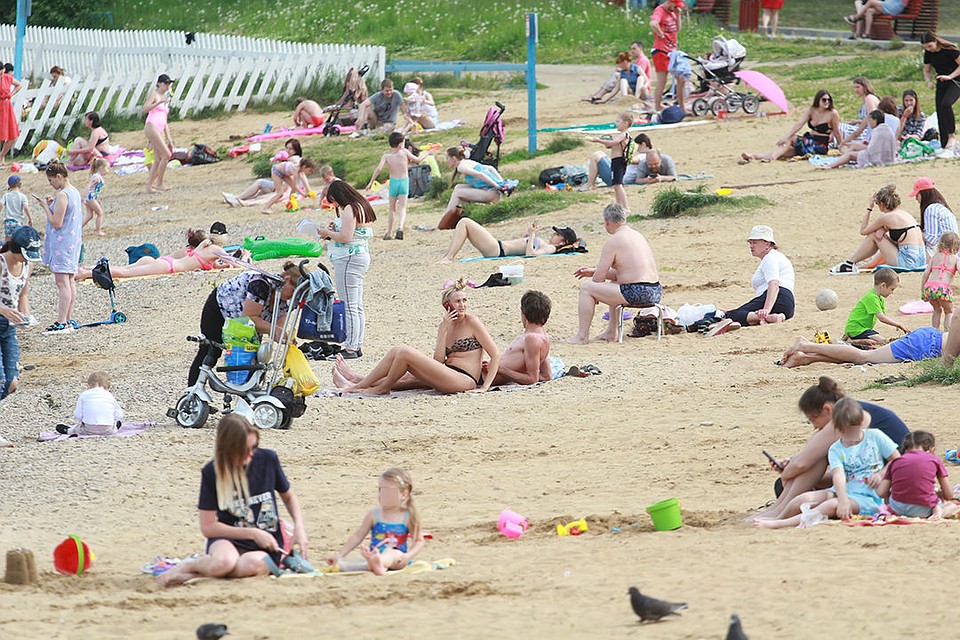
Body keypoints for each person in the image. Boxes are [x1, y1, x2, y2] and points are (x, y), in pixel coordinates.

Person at [157, 414, 309, 587]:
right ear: (228, 450)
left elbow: (289, 497)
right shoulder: (212, 472)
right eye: (245, 451)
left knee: (255, 565)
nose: (251, 455)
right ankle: (189, 565)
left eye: (254, 447)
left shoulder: (267, 459)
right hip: (228, 538)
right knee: (224, 563)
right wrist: (253, 533)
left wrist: (299, 528)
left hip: (267, 544)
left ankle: (189, 576)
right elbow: (208, 527)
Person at [749, 376, 908, 522]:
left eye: (813, 419)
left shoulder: (849, 419)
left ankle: (780, 510)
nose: (814, 426)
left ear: (827, 410)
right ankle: (779, 508)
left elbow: (803, 463)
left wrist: (787, 474)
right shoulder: (852, 413)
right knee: (810, 468)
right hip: (865, 478)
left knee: (814, 461)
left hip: (885, 481)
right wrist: (791, 463)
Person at [331, 279, 501, 394]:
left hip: (465, 379)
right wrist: (442, 331)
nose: (463, 305)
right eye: (458, 301)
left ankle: (377, 387)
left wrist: (485, 387)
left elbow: (495, 354)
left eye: (465, 300)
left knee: (404, 352)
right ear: (447, 305)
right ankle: (360, 382)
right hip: (448, 372)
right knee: (398, 353)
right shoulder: (446, 326)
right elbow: (438, 361)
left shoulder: (472, 322)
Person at [188, 262, 305, 386]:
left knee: (255, 358)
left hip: (250, 321)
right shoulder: (261, 284)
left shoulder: (287, 299)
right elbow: (249, 318)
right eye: (293, 291)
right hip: (221, 309)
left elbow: (277, 328)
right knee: (210, 350)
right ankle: (192, 392)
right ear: (286, 280)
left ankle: (248, 399)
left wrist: (285, 338)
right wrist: (275, 330)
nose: (292, 296)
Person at [566, 204, 661, 344]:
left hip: (637, 292)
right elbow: (625, 273)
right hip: (655, 291)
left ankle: (582, 336)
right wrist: (593, 271)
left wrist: (595, 293)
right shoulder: (637, 235)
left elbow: (598, 279)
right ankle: (611, 332)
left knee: (586, 288)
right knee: (615, 284)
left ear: (606, 221)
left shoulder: (614, 241)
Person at [314, 180, 375, 360]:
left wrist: (327, 233)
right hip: (359, 256)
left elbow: (346, 237)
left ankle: (351, 348)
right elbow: (350, 233)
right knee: (356, 305)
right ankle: (356, 344)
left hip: (349, 258)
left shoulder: (350, 208)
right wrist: (333, 231)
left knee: (349, 305)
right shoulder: (361, 206)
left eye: (334, 200)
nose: (335, 204)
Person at [327, 468, 424, 575]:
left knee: (391, 553)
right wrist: (340, 555)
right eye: (381, 490)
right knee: (352, 560)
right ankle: (377, 565)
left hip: (397, 559)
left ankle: (377, 563)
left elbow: (419, 541)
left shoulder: (407, 516)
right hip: (374, 554)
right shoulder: (374, 514)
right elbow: (358, 536)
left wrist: (408, 556)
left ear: (404, 494)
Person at [829, 184, 925, 274]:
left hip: (907, 262)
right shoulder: (904, 214)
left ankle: (849, 263)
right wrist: (883, 229)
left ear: (882, 204)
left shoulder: (886, 217)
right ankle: (850, 263)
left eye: (877, 204)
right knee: (877, 234)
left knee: (873, 235)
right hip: (921, 259)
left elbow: (863, 231)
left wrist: (869, 208)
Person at [720, 225, 794, 330]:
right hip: (787, 305)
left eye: (755, 242)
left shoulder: (770, 258)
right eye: (750, 243)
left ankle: (768, 316)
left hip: (778, 298)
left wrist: (766, 309)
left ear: (767, 244)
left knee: (731, 315)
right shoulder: (776, 257)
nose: (751, 246)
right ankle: (771, 318)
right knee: (741, 314)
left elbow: (774, 284)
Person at [38, 161, 82, 334]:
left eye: (51, 181)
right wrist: (52, 204)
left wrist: (45, 207)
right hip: (72, 242)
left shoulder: (63, 195)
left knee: (62, 282)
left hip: (62, 244)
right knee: (69, 281)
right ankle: (68, 319)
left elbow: (56, 222)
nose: (51, 184)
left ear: (59, 177)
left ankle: (62, 321)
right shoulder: (74, 192)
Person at [75, 237, 238, 282]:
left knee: (126, 269)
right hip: (168, 266)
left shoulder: (204, 247)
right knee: (125, 273)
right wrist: (244, 256)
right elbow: (236, 264)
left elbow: (217, 266)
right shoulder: (216, 249)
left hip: (164, 261)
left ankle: (87, 269)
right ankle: (84, 274)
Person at [741, 90, 841, 162]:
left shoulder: (832, 114)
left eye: (829, 100)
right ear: (818, 100)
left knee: (791, 138)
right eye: (824, 100)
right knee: (784, 151)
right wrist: (786, 137)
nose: (827, 102)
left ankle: (772, 158)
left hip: (819, 145)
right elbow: (799, 124)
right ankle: (754, 156)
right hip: (808, 140)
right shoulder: (812, 110)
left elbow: (836, 131)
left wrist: (841, 145)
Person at [878, 431, 958, 519]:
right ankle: (935, 515)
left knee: (890, 497)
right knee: (951, 506)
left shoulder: (896, 461)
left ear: (905, 448)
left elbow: (881, 492)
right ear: (931, 449)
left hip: (897, 508)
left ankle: (888, 513)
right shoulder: (934, 460)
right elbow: (949, 495)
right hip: (923, 509)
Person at [779, 326, 946, 368]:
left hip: (928, 341)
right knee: (864, 357)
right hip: (925, 345)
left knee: (863, 360)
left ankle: (806, 358)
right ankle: (805, 345)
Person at [0, 226, 39, 399]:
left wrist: (26, 316)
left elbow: (23, 294)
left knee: (12, 382)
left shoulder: (27, 266)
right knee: (1, 381)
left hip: (9, 327)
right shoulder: (1, 262)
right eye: (25, 254)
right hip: (4, 317)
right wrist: (4, 311)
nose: (26, 259)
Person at [436, 147, 515, 230]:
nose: (446, 161)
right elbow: (491, 168)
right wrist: (502, 182)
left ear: (454, 158)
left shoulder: (461, 167)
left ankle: (443, 224)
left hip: (491, 193)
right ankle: (458, 219)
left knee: (457, 193)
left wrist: (499, 187)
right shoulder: (467, 162)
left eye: (447, 158)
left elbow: (481, 175)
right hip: (492, 191)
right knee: (458, 187)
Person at [485, 290, 552, 386]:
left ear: (523, 313)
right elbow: (547, 376)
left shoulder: (532, 339)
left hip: (484, 378)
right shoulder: (543, 337)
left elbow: (532, 379)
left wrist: (501, 370)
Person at [367, 132, 426, 240]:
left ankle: (389, 232)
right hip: (404, 181)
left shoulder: (386, 156)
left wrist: (371, 181)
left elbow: (379, 168)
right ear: (400, 144)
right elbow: (417, 160)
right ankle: (400, 228)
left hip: (393, 182)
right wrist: (428, 153)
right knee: (402, 207)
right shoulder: (404, 152)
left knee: (391, 208)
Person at [437, 220, 577, 263]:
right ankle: (447, 256)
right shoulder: (546, 244)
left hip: (498, 250)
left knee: (465, 222)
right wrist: (529, 235)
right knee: (464, 223)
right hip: (498, 247)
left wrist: (532, 235)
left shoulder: (551, 248)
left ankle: (449, 257)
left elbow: (530, 255)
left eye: (557, 234)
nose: (553, 235)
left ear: (562, 242)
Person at [582, 133, 677, 189]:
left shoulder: (645, 156)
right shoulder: (649, 156)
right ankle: (591, 183)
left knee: (596, 155)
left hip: (618, 178)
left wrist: (626, 151)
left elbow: (629, 160)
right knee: (599, 155)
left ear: (643, 144)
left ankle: (589, 185)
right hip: (620, 175)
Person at [844, 267, 908, 347]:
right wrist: (898, 324)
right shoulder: (871, 297)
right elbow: (882, 318)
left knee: (877, 341)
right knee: (881, 341)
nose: (892, 293)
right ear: (883, 285)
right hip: (856, 329)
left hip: (864, 329)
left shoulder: (879, 298)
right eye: (892, 289)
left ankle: (855, 340)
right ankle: (851, 341)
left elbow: (883, 317)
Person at [819, 109, 898, 169]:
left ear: (875, 120)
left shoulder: (877, 131)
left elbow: (871, 150)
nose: (869, 123)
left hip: (876, 158)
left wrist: (857, 149)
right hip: (888, 157)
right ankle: (838, 161)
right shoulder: (888, 129)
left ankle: (830, 166)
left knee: (850, 154)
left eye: (870, 120)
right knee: (853, 147)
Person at [921, 32, 960, 151]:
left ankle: (951, 135)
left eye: (930, 46)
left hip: (956, 80)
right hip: (942, 81)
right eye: (925, 47)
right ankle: (945, 143)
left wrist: (950, 76)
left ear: (936, 41)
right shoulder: (928, 54)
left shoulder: (949, 50)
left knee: (946, 104)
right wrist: (928, 81)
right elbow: (927, 70)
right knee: (940, 110)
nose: (928, 49)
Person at [587, 112, 634, 210]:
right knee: (616, 185)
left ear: (625, 123)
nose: (616, 123)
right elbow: (611, 145)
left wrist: (598, 140)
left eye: (618, 121)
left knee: (618, 185)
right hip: (616, 161)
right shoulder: (622, 135)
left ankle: (625, 207)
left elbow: (613, 143)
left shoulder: (624, 135)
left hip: (619, 161)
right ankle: (620, 206)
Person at [55, 371, 124, 436]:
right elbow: (119, 415)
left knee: (78, 429)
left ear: (88, 386)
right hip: (108, 430)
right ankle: (115, 427)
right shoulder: (109, 395)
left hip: (89, 429)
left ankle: (67, 431)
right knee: (117, 424)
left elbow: (78, 415)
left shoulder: (84, 394)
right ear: (108, 387)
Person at [909, 177, 959, 258]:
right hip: (953, 251)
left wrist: (915, 231)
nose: (916, 199)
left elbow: (932, 239)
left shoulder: (931, 209)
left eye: (917, 195)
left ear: (924, 194)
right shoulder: (941, 207)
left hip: (942, 252)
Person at [143, 74, 175, 193]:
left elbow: (165, 119)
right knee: (166, 154)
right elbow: (145, 109)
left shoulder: (165, 97)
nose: (167, 86)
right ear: (159, 83)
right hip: (152, 125)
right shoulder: (155, 95)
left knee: (158, 158)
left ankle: (150, 186)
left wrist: (169, 138)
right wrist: (157, 103)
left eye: (168, 84)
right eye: (165, 83)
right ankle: (159, 183)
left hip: (160, 127)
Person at [921, 231, 960, 330]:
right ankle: (947, 332)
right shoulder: (955, 259)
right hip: (943, 288)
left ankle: (935, 332)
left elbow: (926, 273)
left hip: (930, 287)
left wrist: (922, 290)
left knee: (937, 310)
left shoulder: (935, 257)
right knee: (949, 311)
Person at [649, 0, 684, 112]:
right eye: (675, 6)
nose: (676, 8)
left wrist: (678, 15)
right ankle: (657, 106)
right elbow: (653, 23)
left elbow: (677, 29)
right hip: (661, 50)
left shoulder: (673, 12)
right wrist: (661, 35)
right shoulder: (660, 11)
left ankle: (681, 105)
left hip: (672, 50)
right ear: (670, 2)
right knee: (662, 80)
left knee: (681, 78)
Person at [838, 77, 880, 141]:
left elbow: (872, 118)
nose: (856, 90)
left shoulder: (869, 98)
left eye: (858, 87)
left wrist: (856, 121)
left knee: (839, 127)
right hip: (862, 128)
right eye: (854, 88)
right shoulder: (865, 100)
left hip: (867, 131)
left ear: (864, 87)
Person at [0, 63, 21, 167]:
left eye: (2, 70)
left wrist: (11, 94)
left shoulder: (7, 77)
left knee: (12, 134)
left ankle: (2, 155)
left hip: (6, 105)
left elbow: (19, 85)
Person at [81, 158, 108, 237]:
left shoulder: (98, 176)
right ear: (101, 168)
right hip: (90, 197)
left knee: (89, 215)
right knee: (100, 213)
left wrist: (98, 199)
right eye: (107, 168)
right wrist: (85, 197)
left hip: (93, 197)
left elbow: (96, 190)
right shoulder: (96, 177)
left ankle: (78, 228)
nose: (107, 170)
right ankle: (98, 231)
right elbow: (89, 186)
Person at [1, 175, 30, 243]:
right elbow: (26, 208)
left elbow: (1, 205)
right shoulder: (23, 196)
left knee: (8, 241)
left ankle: (7, 251)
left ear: (9, 185)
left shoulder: (6, 195)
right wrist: (30, 218)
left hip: (9, 222)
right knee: (18, 240)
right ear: (20, 185)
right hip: (18, 222)